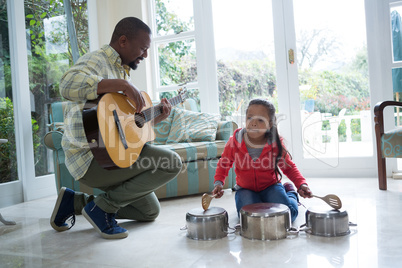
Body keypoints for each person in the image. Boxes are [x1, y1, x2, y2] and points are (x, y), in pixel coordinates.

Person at [50, 17, 182, 239]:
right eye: (142, 48)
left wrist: (156, 118)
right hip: (91, 158)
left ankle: (73, 202)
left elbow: (126, 128)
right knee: (171, 163)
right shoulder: (98, 61)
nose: (145, 55)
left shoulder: (121, 70)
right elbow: (66, 84)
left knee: (149, 211)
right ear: (123, 41)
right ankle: (101, 209)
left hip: (114, 153)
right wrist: (123, 85)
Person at [212, 98, 312, 222]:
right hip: (245, 189)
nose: (253, 123)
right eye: (249, 118)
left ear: (270, 124)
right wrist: (218, 183)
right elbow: (224, 164)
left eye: (260, 120)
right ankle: (263, 202)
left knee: (287, 217)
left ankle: (290, 193)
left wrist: (301, 184)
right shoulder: (234, 141)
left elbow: (289, 167)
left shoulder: (275, 143)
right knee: (249, 218)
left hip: (271, 186)